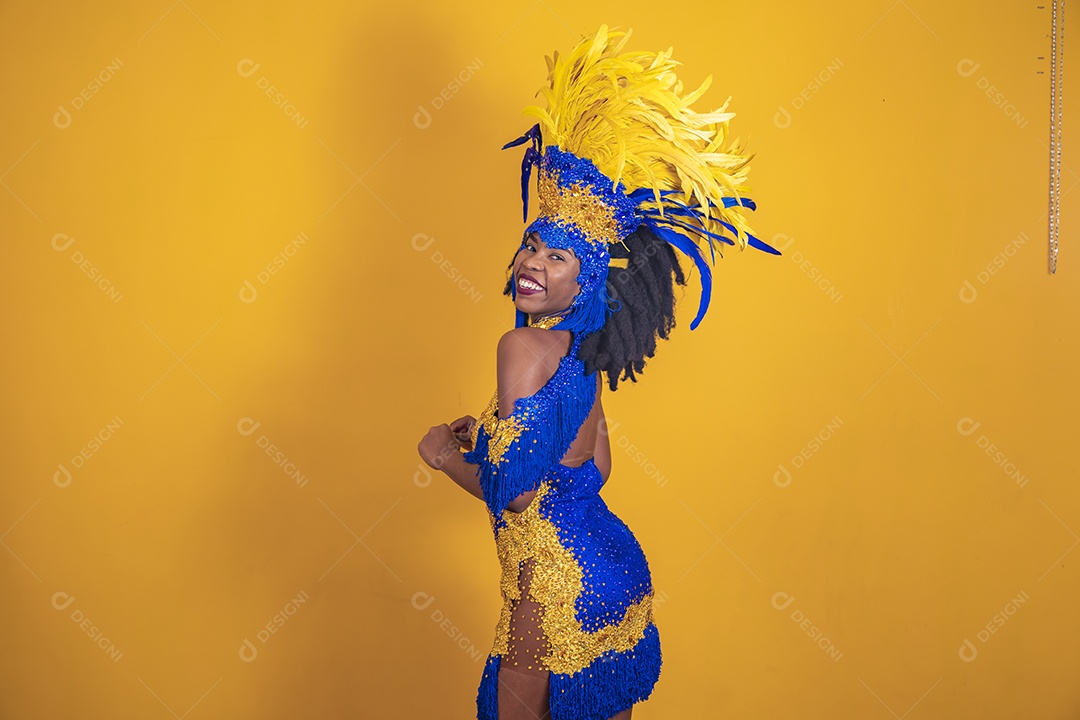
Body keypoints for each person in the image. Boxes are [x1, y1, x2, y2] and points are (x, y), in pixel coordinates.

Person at [417, 24, 780, 720]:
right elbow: (596, 468)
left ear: (584, 285)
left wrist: (443, 456)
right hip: (614, 565)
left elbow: (517, 496)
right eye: (531, 245)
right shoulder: (585, 355)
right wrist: (489, 440)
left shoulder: (520, 348)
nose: (532, 262)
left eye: (557, 257)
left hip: (552, 582)